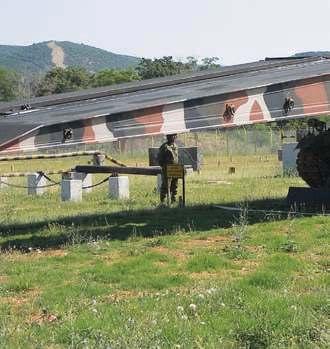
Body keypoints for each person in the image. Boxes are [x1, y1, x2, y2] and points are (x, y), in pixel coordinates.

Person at [157, 134, 179, 204]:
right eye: (171, 136)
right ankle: (163, 201)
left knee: (174, 185)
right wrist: (165, 167)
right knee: (166, 186)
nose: (173, 137)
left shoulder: (175, 146)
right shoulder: (164, 147)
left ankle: (173, 200)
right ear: (167, 137)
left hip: (175, 169)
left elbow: (176, 158)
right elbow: (160, 160)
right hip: (167, 169)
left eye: (174, 136)